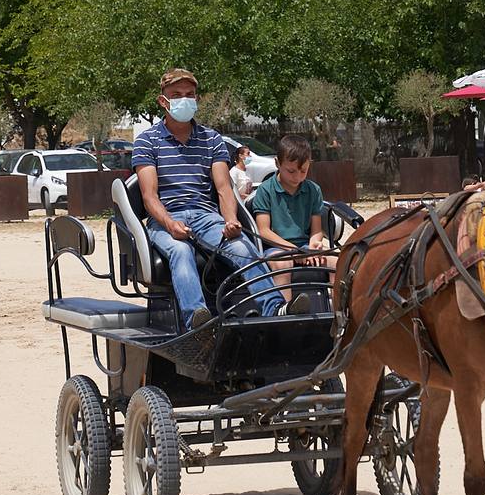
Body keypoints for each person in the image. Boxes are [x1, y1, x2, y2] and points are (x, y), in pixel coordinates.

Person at [133, 67, 297, 332]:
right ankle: (198, 321)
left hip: (206, 216)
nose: (184, 99)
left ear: (196, 99)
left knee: (242, 247)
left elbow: (224, 188)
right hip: (165, 219)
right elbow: (149, 196)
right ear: (163, 101)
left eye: (189, 94)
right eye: (176, 94)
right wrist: (170, 224)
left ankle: (274, 308)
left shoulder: (212, 139)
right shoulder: (147, 141)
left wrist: (231, 221)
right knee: (181, 251)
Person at [250, 135, 336, 303]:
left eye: (303, 171)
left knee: (338, 261)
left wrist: (314, 245)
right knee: (283, 265)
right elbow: (264, 231)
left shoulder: (313, 190)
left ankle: (337, 315)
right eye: (291, 171)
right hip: (275, 249)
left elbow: (316, 230)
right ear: (277, 163)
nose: (297, 177)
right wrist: (293, 250)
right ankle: (284, 312)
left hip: (305, 247)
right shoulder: (265, 191)